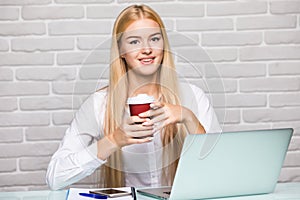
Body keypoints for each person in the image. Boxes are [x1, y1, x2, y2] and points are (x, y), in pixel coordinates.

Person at [46, 4, 221, 190]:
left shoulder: (193, 96)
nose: (147, 49)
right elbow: (55, 178)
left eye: (154, 39)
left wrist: (188, 118)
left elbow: (221, 170)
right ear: (120, 50)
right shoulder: (99, 104)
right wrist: (114, 140)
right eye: (134, 42)